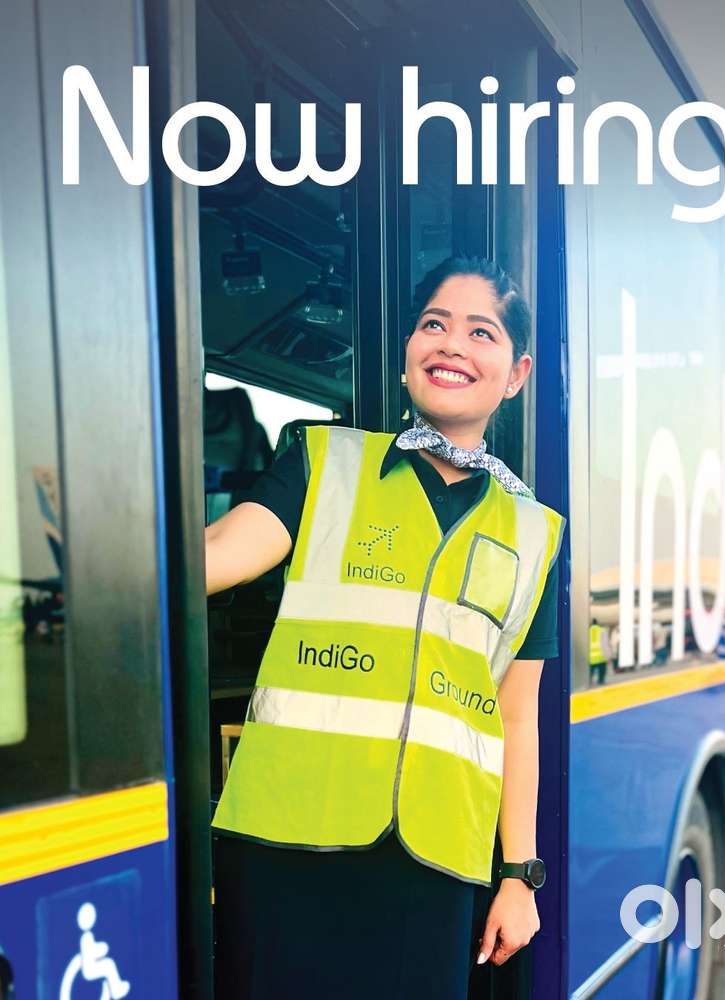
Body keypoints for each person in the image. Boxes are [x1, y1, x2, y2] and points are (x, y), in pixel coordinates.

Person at [205, 256, 567, 999]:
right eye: (434, 324)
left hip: (433, 862)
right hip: (284, 840)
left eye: (481, 332)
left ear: (516, 373)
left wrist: (519, 875)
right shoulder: (322, 464)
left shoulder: (535, 533)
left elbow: (517, 715)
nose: (452, 344)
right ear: (408, 351)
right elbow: (219, 555)